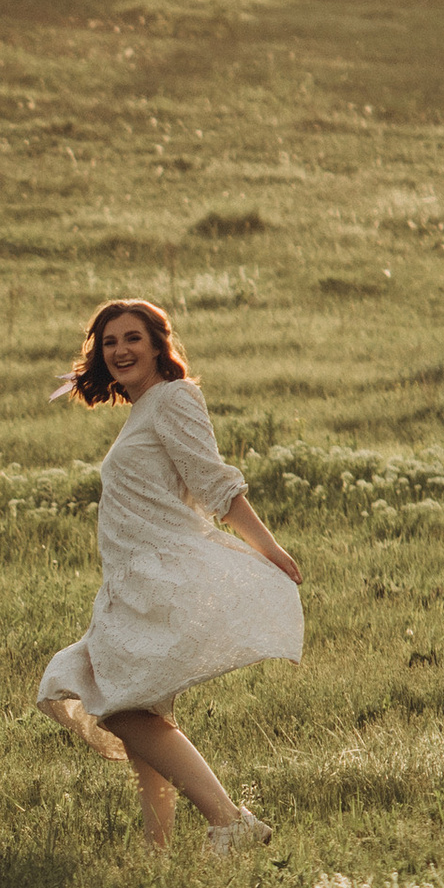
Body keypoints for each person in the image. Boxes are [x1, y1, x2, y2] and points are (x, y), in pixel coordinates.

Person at [35, 296, 302, 855]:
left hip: (161, 574)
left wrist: (270, 549)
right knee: (143, 714)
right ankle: (159, 854)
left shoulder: (174, 398)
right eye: (109, 342)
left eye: (132, 338)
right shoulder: (145, 407)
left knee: (115, 703)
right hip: (131, 579)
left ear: (159, 345)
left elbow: (214, 483)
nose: (120, 350)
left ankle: (231, 820)